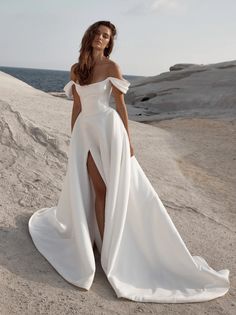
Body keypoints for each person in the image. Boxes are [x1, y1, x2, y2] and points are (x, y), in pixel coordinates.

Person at [28, 20, 230, 303]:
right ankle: (100, 245)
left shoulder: (112, 68)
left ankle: (111, 249)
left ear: (109, 42)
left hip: (110, 132)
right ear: (90, 37)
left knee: (113, 189)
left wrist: (129, 139)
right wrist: (73, 136)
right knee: (98, 189)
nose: (100, 38)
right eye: (97, 33)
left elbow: (120, 106)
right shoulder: (77, 69)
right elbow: (76, 106)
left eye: (106, 36)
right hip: (85, 133)